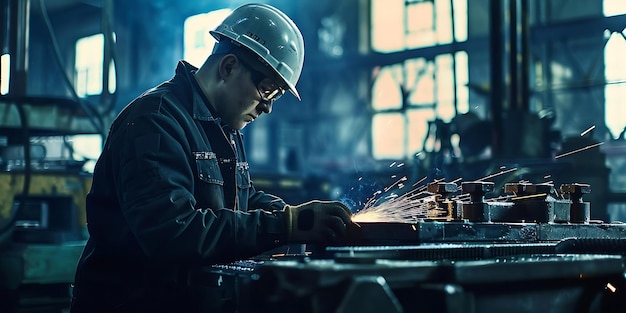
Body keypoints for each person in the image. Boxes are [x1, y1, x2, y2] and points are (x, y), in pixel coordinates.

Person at [69, 3, 357, 312]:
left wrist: (292, 215)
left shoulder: (223, 128)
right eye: (267, 90)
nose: (267, 107)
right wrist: (284, 225)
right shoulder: (155, 121)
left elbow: (236, 203)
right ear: (229, 67)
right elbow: (173, 232)